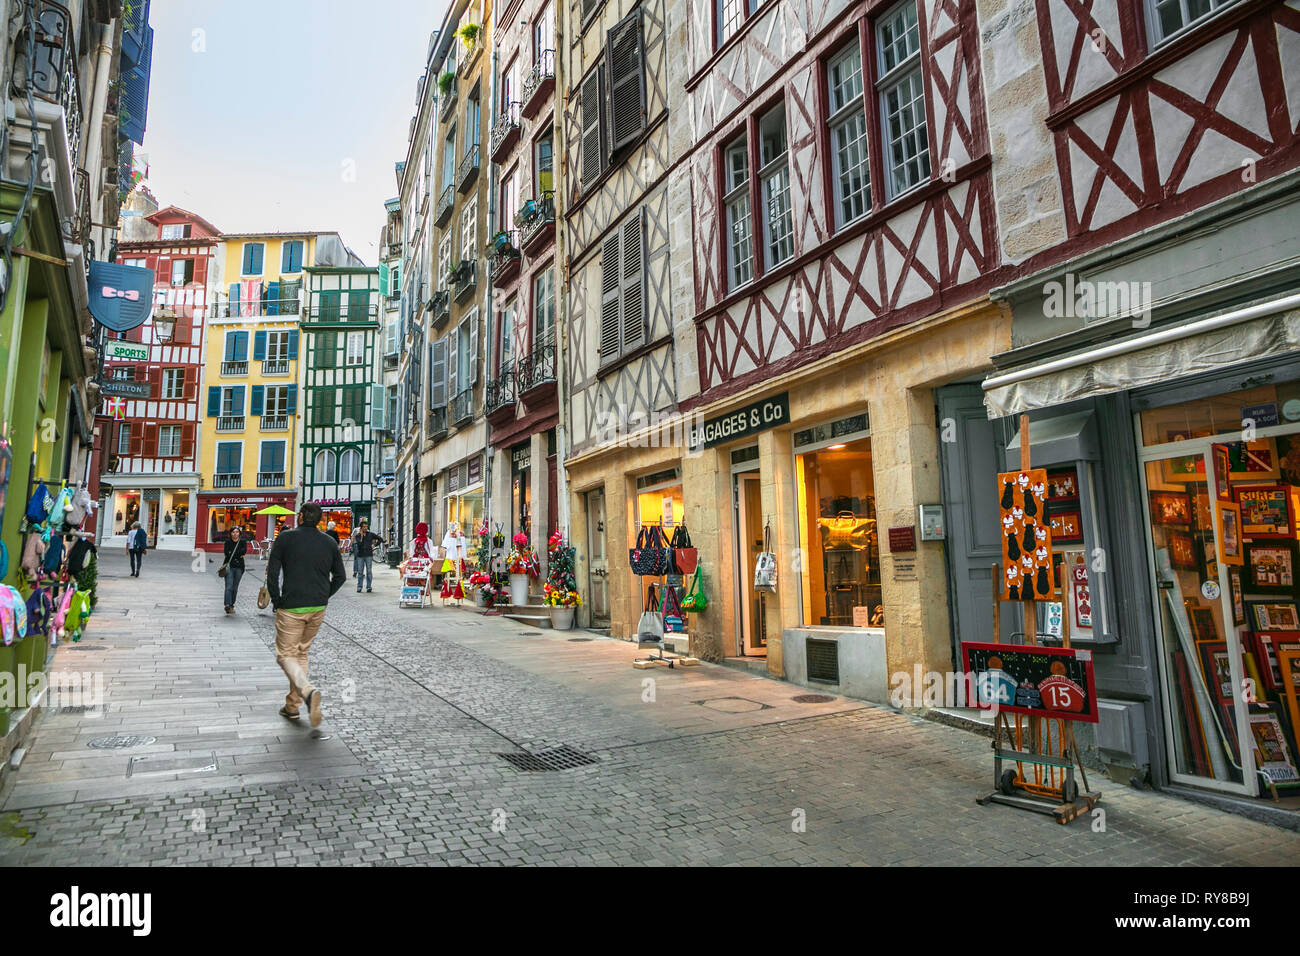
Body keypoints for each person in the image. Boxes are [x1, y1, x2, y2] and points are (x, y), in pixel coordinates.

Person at [265, 502, 346, 727]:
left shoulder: (285, 538)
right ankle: (292, 706)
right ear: (319, 520)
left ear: (300, 516)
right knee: (301, 653)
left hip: (292, 606)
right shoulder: (329, 542)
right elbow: (340, 577)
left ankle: (307, 691)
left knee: (285, 655)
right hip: (317, 608)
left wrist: (276, 599)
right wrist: (324, 596)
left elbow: (272, 571)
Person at [222, 526, 248, 614]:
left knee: (235, 588)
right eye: (233, 532)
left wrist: (234, 552)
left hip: (239, 567)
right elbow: (227, 553)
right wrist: (238, 553)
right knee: (229, 586)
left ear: (239, 534)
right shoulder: (228, 542)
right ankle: (227, 605)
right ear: (230, 533)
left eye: (237, 532)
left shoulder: (243, 542)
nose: (235, 534)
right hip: (229, 567)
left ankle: (232, 605)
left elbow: (244, 552)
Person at [352, 520, 384, 593]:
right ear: (361, 528)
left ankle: (369, 587)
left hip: (369, 555)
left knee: (369, 571)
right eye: (364, 527)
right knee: (360, 572)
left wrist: (374, 545)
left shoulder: (371, 534)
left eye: (366, 527)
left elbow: (380, 539)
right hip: (360, 555)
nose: (365, 528)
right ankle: (359, 587)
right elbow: (359, 544)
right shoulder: (357, 536)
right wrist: (361, 537)